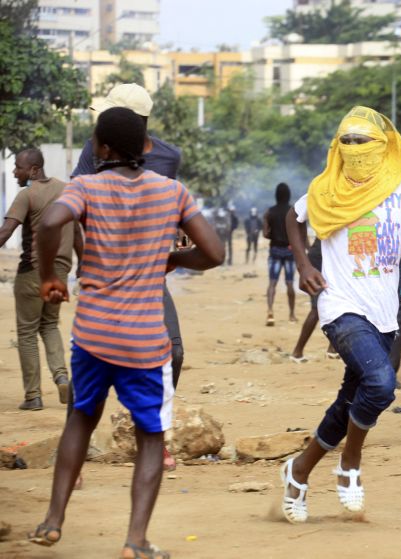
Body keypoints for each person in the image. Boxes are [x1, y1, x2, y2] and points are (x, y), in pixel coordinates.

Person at [27, 107, 224, 558]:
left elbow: (54, 221)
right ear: (143, 148)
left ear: (103, 148)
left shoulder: (85, 187)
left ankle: (53, 520)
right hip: (143, 340)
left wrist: (48, 277)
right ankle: (135, 540)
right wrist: (171, 259)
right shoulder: (172, 191)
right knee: (150, 436)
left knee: (80, 416)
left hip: (93, 333)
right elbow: (213, 252)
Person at [281, 106, 401, 523]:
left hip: (385, 311)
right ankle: (350, 464)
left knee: (352, 398)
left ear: (384, 146)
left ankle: (298, 471)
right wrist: (304, 266)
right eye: (346, 141)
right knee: (381, 383)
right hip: (340, 305)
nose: (353, 148)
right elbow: (293, 219)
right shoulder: (326, 187)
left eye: (362, 141)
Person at [73, 82, 186, 471]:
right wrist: (85, 259)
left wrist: (173, 246)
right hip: (104, 278)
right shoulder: (96, 149)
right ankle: (76, 446)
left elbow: (176, 213)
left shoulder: (170, 158)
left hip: (150, 278)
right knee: (90, 356)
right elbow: (74, 205)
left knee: (174, 351)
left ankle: (154, 437)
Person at [0, 149, 79, 410]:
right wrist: (83, 264)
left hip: (33, 271)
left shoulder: (27, 195)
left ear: (34, 170)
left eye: (18, 168)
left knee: (26, 333)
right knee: (50, 325)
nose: (15, 172)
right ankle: (61, 376)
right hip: (61, 271)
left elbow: (5, 232)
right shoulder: (67, 191)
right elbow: (76, 231)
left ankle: (33, 395)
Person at [264, 182, 296, 325]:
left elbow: (265, 234)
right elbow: (297, 233)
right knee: (290, 284)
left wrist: (274, 235)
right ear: (288, 195)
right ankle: (291, 314)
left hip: (275, 250)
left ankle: (270, 312)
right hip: (290, 251)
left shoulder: (269, 212)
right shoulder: (293, 211)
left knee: (272, 283)